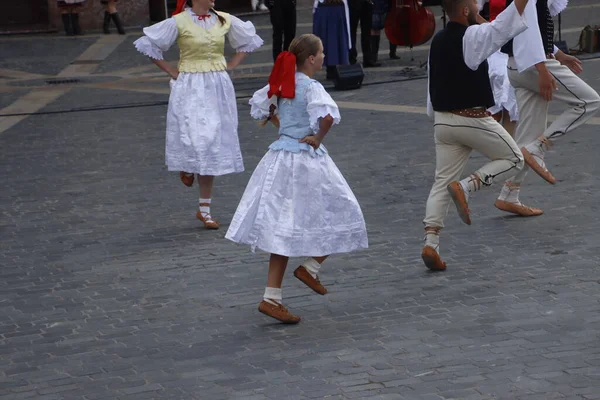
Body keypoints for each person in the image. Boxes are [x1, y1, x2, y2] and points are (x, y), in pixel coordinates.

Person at [225, 34, 368, 323]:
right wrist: (317, 136)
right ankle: (310, 268)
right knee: (341, 208)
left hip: (279, 157)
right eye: (322, 52)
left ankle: (273, 296)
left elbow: (263, 108)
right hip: (305, 160)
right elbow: (327, 115)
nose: (324, 56)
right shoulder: (310, 86)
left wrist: (284, 127)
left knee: (283, 227)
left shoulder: (282, 84)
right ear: (312, 59)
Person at [133, 0, 263, 229]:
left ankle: (204, 210)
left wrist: (231, 64)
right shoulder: (179, 21)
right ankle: (188, 165)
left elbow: (249, 40)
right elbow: (148, 44)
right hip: (190, 85)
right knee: (194, 134)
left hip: (217, 85)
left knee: (211, 143)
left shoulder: (223, 18)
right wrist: (171, 70)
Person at [422, 0, 532, 271]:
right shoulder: (471, 36)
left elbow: (430, 85)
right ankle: (469, 186)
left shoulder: (437, 41)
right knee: (515, 158)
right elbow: (504, 25)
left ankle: (431, 243)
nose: (477, 5)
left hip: (442, 121)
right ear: (464, 11)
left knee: (440, 182)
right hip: (470, 118)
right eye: (473, 3)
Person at [493, 0, 600, 216]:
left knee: (526, 137)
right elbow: (528, 32)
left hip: (518, 65)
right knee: (589, 101)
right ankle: (539, 147)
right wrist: (543, 71)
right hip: (534, 65)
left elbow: (534, 28)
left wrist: (559, 55)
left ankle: (507, 194)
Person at [313, 0, 352, 79]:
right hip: (325, 6)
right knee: (326, 38)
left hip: (338, 6)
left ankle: (334, 67)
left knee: (336, 38)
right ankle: (330, 68)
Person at [348, 0, 373, 66]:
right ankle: (352, 57)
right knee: (352, 31)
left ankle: (367, 58)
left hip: (365, 3)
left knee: (366, 31)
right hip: (354, 3)